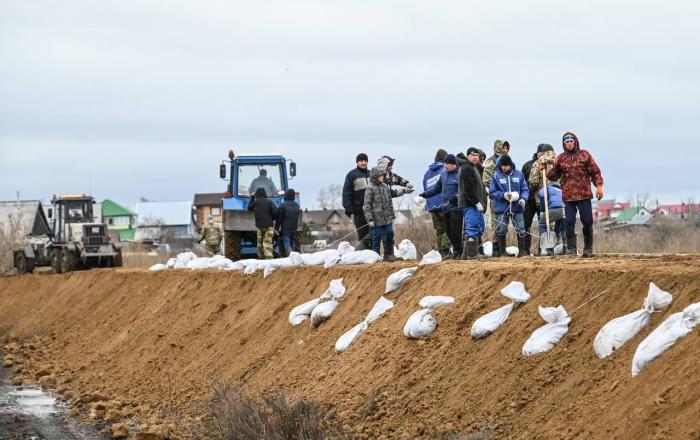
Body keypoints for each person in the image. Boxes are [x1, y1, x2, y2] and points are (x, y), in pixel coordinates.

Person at [546, 132, 604, 257]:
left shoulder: (585, 155)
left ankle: (588, 248)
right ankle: (572, 249)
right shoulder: (561, 158)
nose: (569, 144)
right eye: (566, 142)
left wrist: (599, 186)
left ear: (575, 142)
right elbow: (553, 175)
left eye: (571, 141)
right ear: (564, 144)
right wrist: (546, 170)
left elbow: (595, 172)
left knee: (587, 221)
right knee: (569, 222)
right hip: (568, 197)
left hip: (584, 195)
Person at [419, 154, 462, 259]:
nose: (446, 166)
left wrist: (456, 197)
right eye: (445, 163)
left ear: (454, 165)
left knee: (456, 231)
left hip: (456, 209)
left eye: (448, 164)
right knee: (448, 231)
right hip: (445, 208)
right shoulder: (443, 174)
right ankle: (455, 251)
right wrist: (425, 194)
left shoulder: (460, 175)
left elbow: (463, 191)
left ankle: (458, 252)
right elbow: (437, 189)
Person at [489, 155, 529, 257]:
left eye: (506, 166)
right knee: (501, 229)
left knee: (521, 228)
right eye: (502, 165)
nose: (504, 168)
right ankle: (503, 252)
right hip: (501, 208)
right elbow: (492, 192)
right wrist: (503, 195)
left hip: (517, 207)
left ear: (510, 165)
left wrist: (523, 199)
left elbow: (525, 189)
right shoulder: (496, 176)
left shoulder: (519, 174)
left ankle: (522, 252)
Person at [363, 167, 399, 262]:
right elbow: (367, 205)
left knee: (389, 233)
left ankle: (389, 254)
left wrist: (392, 214)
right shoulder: (370, 188)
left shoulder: (385, 187)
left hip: (387, 218)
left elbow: (390, 202)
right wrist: (370, 219)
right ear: (375, 176)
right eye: (381, 175)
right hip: (376, 219)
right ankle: (375, 256)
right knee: (377, 237)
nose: (383, 176)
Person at [482, 139, 511, 256]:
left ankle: (502, 249)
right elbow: (486, 179)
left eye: (506, 148)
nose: (505, 150)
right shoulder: (491, 161)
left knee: (504, 223)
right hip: (496, 198)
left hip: (507, 198)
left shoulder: (508, 161)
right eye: (503, 147)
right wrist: (498, 189)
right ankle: (496, 249)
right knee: (496, 223)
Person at [521, 144, 550, 256]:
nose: (542, 155)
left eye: (545, 153)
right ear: (537, 153)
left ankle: (542, 250)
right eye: (541, 152)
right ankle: (525, 250)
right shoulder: (528, 165)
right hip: (529, 199)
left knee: (543, 224)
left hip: (543, 200)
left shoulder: (550, 165)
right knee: (525, 224)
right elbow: (523, 182)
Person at [458, 148, 487, 259]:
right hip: (469, 204)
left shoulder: (473, 167)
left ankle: (465, 255)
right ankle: (472, 254)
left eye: (477, 155)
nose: (475, 157)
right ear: (467, 156)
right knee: (471, 228)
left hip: (473, 204)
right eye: (472, 155)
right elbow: (468, 188)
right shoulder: (466, 168)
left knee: (478, 227)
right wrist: (476, 202)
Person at [422, 149, 451, 257]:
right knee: (448, 228)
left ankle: (440, 252)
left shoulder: (427, 173)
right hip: (443, 204)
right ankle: (445, 250)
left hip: (431, 206)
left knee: (439, 230)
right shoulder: (445, 170)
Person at [342, 154, 372, 249]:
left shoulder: (371, 174)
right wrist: (349, 209)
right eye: (361, 161)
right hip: (359, 212)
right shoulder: (352, 175)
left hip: (372, 211)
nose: (363, 163)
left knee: (374, 234)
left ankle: (374, 254)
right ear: (357, 162)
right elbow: (346, 193)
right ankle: (362, 254)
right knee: (363, 235)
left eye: (365, 161)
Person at [247, 188, 278, 259]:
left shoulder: (256, 202)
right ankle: (269, 259)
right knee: (267, 242)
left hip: (259, 226)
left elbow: (249, 208)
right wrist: (271, 218)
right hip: (269, 226)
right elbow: (276, 212)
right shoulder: (269, 202)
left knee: (259, 243)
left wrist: (252, 197)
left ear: (257, 194)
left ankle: (261, 258)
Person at [537, 181, 565, 256]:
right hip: (564, 209)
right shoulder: (561, 190)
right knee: (563, 227)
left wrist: (542, 209)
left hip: (554, 208)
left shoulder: (546, 188)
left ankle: (548, 248)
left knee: (541, 224)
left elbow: (542, 195)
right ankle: (568, 247)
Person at [276, 189, 300, 257]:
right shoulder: (297, 205)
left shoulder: (282, 205)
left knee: (286, 242)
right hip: (294, 227)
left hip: (285, 228)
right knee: (292, 242)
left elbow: (279, 218)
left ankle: (289, 254)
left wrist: (276, 228)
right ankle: (293, 256)